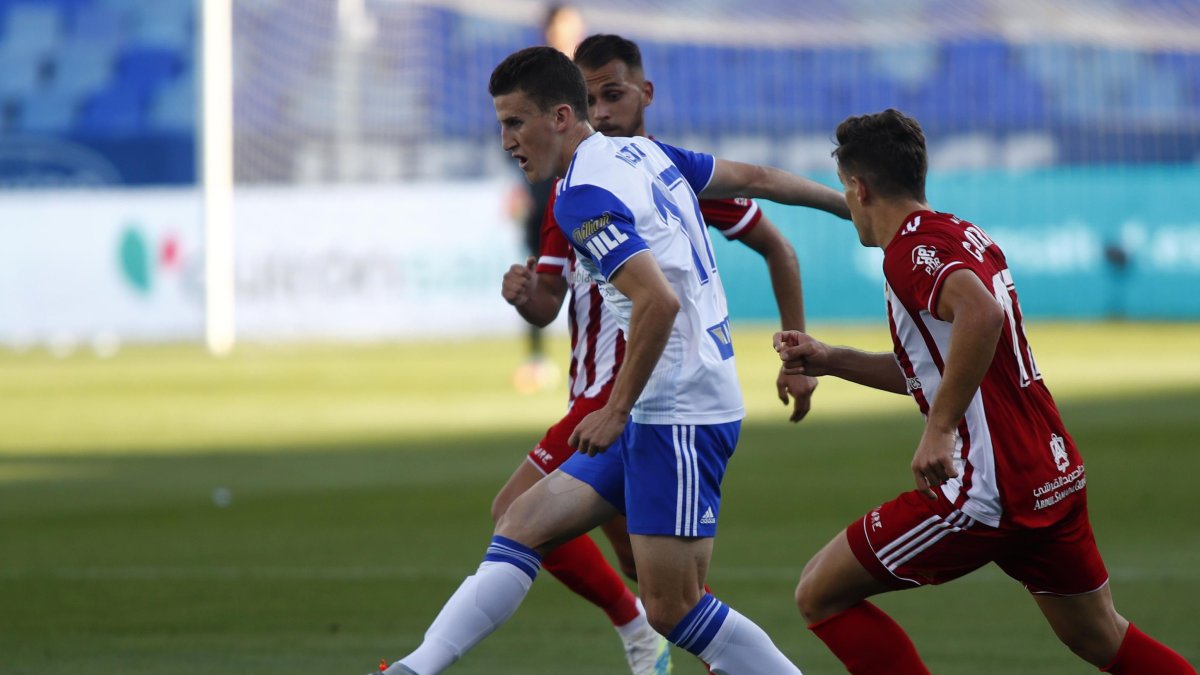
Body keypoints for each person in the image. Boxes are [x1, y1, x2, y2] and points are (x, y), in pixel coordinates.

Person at [379, 45, 847, 675]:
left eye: (515, 123)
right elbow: (759, 178)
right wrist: (847, 206)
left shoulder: (580, 196)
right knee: (521, 522)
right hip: (666, 402)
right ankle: (414, 669)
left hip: (678, 412)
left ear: (560, 117)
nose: (506, 141)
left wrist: (616, 410)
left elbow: (658, 300)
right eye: (502, 125)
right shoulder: (645, 154)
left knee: (673, 610)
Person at [775, 108, 1197, 675]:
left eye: (845, 190)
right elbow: (945, 367)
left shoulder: (907, 252)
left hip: (986, 488)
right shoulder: (961, 233)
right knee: (1101, 637)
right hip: (1048, 471)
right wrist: (832, 360)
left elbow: (981, 313)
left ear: (860, 188)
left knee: (820, 594)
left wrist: (940, 428)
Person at [511, 3, 587, 394]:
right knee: (539, 278)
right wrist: (518, 183)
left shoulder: (590, 75)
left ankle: (602, 354)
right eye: (563, 25)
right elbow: (513, 132)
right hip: (543, 199)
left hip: (585, 194)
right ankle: (537, 360)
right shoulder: (531, 79)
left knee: (595, 278)